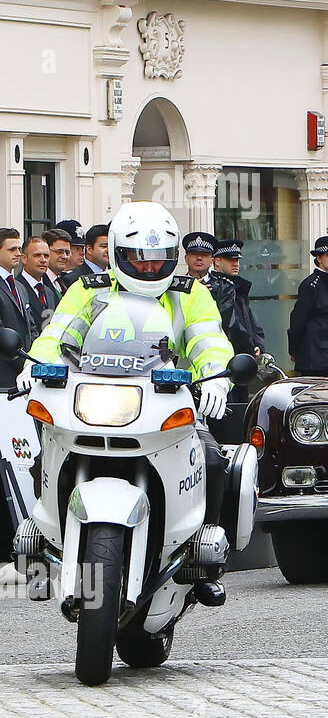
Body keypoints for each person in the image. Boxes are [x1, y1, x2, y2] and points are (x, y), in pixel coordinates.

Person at [20, 202, 234, 604]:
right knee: (45, 455)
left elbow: (208, 338)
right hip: (94, 399)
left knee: (213, 460)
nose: (150, 268)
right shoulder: (89, 290)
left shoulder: (190, 294)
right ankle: (43, 549)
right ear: (118, 253)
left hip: (168, 402)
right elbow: (59, 332)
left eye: (159, 259)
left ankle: (201, 560)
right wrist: (36, 363)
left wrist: (217, 374)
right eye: (139, 258)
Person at [288, 235, 328, 376]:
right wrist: (294, 350)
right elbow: (298, 319)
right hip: (314, 359)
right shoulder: (310, 285)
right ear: (319, 258)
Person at [211, 239, 265, 358]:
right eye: (230, 260)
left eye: (237, 260)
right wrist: (249, 347)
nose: (235, 264)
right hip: (228, 353)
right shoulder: (215, 287)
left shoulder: (237, 287)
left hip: (245, 354)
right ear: (217, 261)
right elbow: (231, 325)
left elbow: (251, 322)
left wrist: (258, 345)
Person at [0, 228, 36, 385]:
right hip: (4, 374)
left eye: (19, 249)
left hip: (25, 374)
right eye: (11, 249)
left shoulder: (19, 287)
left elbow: (31, 328)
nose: (18, 253)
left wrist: (32, 361)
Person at [19, 236, 55, 331]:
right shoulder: (16, 288)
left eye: (46, 256)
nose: (43, 260)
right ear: (24, 258)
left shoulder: (49, 292)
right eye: (37, 255)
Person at [61, 223, 108, 288]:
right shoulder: (73, 279)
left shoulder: (118, 275)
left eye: (111, 246)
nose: (108, 250)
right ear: (89, 249)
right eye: (104, 246)